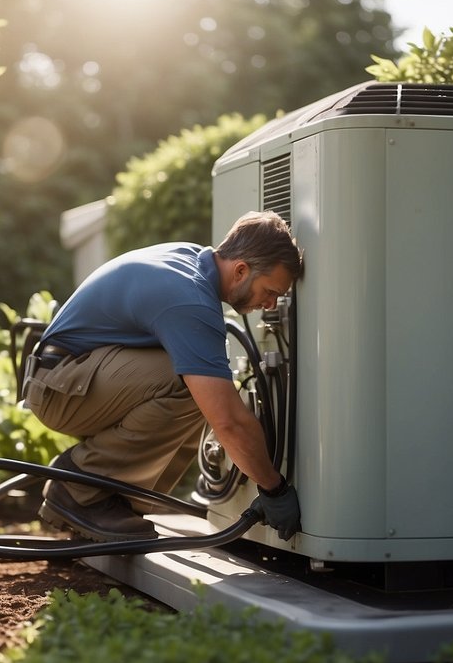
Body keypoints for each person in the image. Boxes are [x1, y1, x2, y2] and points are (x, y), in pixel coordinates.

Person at [21, 210, 304, 542]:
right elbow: (228, 420)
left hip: (70, 380)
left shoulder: (190, 260)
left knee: (200, 389)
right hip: (60, 387)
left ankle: (109, 502)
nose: (271, 305)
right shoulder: (191, 301)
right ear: (241, 270)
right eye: (270, 291)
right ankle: (81, 488)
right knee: (194, 387)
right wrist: (273, 487)